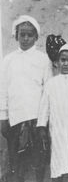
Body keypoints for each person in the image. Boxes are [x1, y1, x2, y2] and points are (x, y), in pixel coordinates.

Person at [0, 15, 49, 182]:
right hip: (15, 118)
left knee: (38, 159)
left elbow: (47, 92)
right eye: (22, 34)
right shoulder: (8, 60)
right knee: (17, 161)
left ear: (36, 36)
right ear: (16, 35)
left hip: (37, 119)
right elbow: (3, 89)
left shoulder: (43, 60)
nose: (26, 38)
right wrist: (3, 117)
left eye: (30, 34)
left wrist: (44, 120)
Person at [37, 44, 68, 182]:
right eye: (62, 60)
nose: (65, 63)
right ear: (57, 61)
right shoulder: (51, 83)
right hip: (58, 128)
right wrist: (42, 126)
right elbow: (44, 107)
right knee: (60, 158)